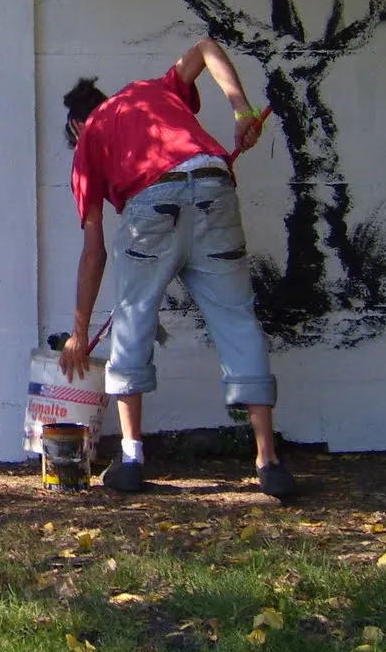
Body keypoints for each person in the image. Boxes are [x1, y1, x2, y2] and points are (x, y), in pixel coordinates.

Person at [57, 38, 297, 499]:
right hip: (212, 183)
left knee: (133, 319)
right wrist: (242, 111)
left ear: (75, 123)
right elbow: (206, 47)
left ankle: (130, 460)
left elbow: (94, 251)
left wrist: (79, 332)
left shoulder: (88, 138)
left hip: (152, 201)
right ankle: (269, 461)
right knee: (237, 319)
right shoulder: (154, 90)